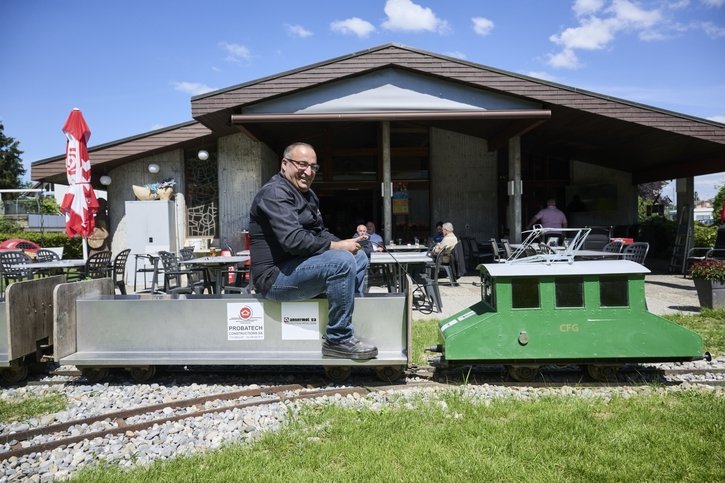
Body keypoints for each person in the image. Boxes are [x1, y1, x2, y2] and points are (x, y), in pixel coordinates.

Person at [249, 142, 377, 360]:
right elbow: (293, 240)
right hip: (274, 277)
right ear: (284, 164)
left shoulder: (308, 195)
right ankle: (338, 339)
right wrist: (338, 247)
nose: (308, 172)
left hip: (296, 267)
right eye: (302, 164)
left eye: (313, 167)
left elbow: (320, 233)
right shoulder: (274, 194)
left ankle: (350, 324)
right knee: (342, 262)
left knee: (360, 258)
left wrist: (348, 242)